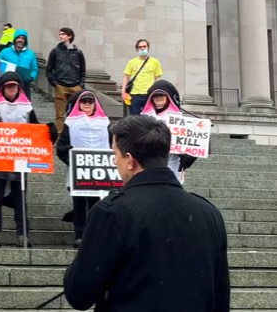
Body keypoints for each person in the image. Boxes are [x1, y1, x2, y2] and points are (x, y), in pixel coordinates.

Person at [63, 115, 229, 312]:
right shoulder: (209, 213)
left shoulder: (112, 212)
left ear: (130, 161)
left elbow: (79, 294)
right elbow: (221, 297)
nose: (115, 162)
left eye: (115, 154)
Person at [0, 71, 40, 247]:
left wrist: (49, 132)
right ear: (2, 89)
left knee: (20, 198)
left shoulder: (26, 108)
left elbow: (37, 131)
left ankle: (23, 233)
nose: (11, 90)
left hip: (20, 159)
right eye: (8, 87)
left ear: (18, 88)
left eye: (14, 87)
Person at [55, 90, 110, 248]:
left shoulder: (105, 122)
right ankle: (79, 234)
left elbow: (114, 144)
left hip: (99, 170)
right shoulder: (70, 122)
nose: (87, 104)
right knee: (79, 203)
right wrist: (71, 160)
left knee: (95, 204)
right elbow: (61, 147)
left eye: (90, 101)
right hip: (78, 170)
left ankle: (93, 234)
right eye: (84, 101)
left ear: (95, 104)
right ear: (78, 104)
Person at [140, 79, 196, 182]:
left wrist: (189, 154)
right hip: (148, 161)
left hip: (171, 162)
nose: (158, 98)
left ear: (169, 97)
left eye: (162, 95)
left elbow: (193, 140)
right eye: (155, 96)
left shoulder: (179, 119)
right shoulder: (143, 117)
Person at [45, 27, 86, 133]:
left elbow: (82, 70)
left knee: (76, 113)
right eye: (60, 34)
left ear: (70, 36)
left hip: (75, 85)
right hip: (60, 85)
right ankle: (59, 136)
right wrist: (54, 83)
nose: (60, 36)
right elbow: (49, 68)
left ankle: (75, 134)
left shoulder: (78, 52)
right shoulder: (55, 51)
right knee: (60, 114)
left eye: (63, 34)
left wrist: (81, 84)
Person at [121, 39, 163, 115]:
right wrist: (123, 92)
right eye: (140, 47)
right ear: (137, 49)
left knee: (148, 118)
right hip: (134, 95)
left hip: (149, 94)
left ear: (148, 48)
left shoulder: (155, 62)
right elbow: (126, 77)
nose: (142, 48)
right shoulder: (132, 62)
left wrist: (157, 92)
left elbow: (157, 79)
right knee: (134, 118)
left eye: (144, 46)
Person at [0, 29, 38, 99]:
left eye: (23, 38)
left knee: (25, 107)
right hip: (8, 85)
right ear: (14, 39)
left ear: (25, 40)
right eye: (18, 38)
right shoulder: (5, 52)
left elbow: (34, 69)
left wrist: (31, 77)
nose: (20, 40)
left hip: (25, 85)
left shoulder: (30, 54)